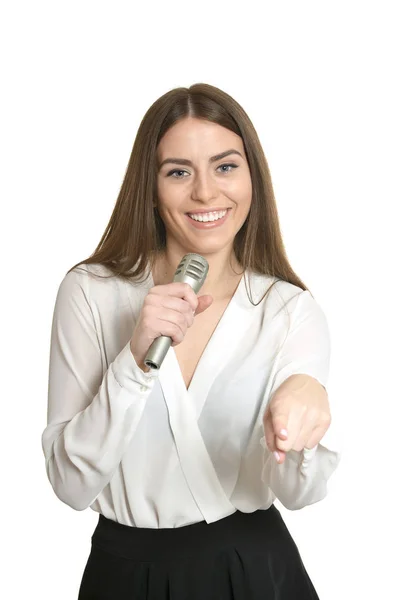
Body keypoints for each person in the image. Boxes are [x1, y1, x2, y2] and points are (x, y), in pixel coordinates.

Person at [41, 83, 341, 599]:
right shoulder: (90, 292)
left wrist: (300, 427)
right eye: (178, 171)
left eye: (225, 166)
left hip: (255, 575)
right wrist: (134, 361)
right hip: (125, 575)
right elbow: (70, 486)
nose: (205, 192)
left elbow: (300, 493)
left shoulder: (289, 311)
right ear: (150, 186)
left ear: (253, 178)